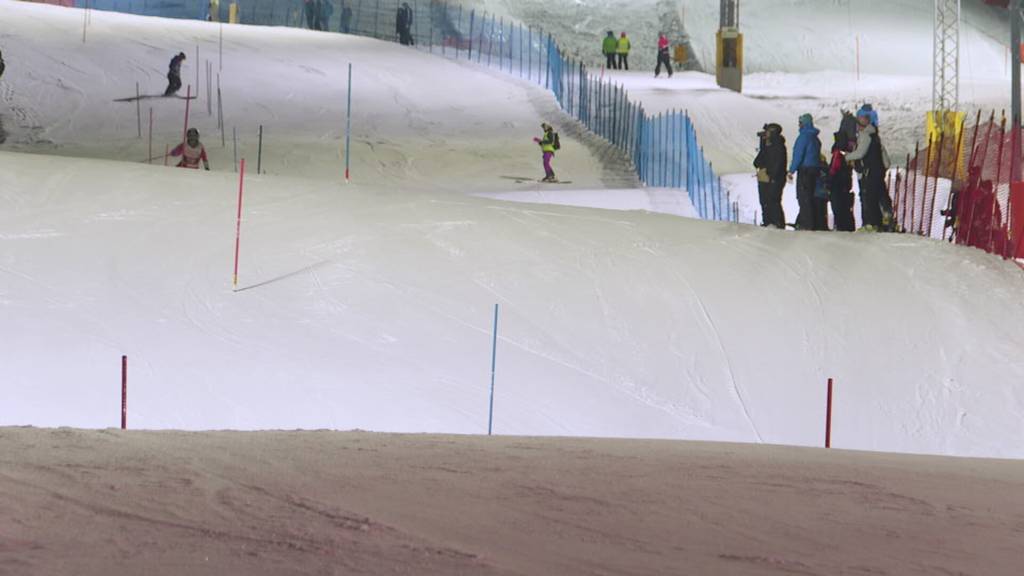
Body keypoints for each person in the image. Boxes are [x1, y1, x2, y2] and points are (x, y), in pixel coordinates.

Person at [846, 106, 891, 231]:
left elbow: (860, 153)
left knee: (870, 198)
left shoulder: (866, 135)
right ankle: (885, 219)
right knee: (880, 195)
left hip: (870, 171)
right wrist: (884, 167)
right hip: (879, 171)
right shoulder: (875, 136)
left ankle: (873, 223)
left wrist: (847, 157)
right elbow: (885, 158)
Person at [788, 113, 823, 230]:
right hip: (815, 170)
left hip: (805, 171)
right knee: (810, 197)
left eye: (800, 123)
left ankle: (806, 224)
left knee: (803, 197)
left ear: (803, 124)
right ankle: (809, 222)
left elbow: (798, 155)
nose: (799, 125)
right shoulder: (815, 138)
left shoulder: (803, 137)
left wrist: (791, 170)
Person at [753, 123, 787, 229]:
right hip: (770, 177)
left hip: (773, 178)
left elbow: (777, 162)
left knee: (772, 200)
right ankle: (769, 222)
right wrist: (763, 144)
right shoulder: (771, 145)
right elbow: (758, 161)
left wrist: (773, 176)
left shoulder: (777, 146)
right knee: (766, 200)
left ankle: (776, 222)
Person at [827, 130, 856, 232]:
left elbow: (833, 169)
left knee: (838, 208)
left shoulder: (838, 153)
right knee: (845, 207)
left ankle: (840, 227)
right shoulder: (849, 152)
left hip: (837, 184)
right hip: (845, 184)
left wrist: (829, 183)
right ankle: (847, 227)